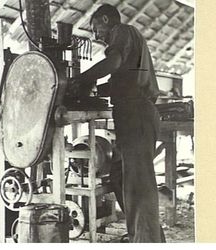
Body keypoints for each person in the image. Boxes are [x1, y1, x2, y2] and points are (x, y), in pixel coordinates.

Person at [69, 4, 164, 243]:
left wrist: (82, 78)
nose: (96, 36)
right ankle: (143, 235)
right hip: (133, 116)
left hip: (137, 116)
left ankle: (146, 241)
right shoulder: (131, 42)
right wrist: (94, 87)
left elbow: (113, 63)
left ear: (106, 19)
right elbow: (123, 80)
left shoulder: (123, 31)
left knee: (139, 186)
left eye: (95, 29)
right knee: (120, 175)